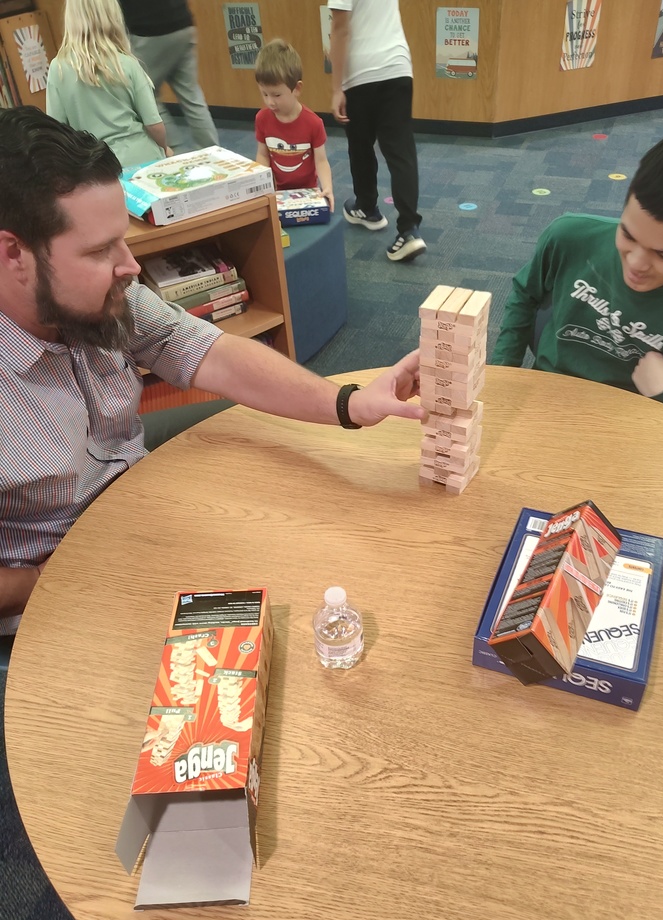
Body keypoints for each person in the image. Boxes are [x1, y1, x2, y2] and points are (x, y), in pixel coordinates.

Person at [0, 106, 424, 639]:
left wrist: (350, 403)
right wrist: (46, 579)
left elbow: (207, 350)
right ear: (14, 252)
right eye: (99, 249)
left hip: (140, 514)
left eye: (122, 238)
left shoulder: (104, 297)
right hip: (52, 592)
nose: (130, 265)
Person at [490, 127, 663, 436]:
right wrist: (500, 374)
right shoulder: (568, 237)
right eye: (628, 234)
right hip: (544, 405)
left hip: (631, 434)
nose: (636, 263)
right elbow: (525, 294)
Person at [328, 0, 426, 263]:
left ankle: (367, 206)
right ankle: (409, 230)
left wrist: (336, 88)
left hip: (362, 70)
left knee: (360, 143)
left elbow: (340, 28)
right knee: (400, 150)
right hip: (398, 66)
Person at [46, 0, 169, 169]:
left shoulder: (58, 69)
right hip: (142, 157)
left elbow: (56, 132)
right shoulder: (126, 63)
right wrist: (164, 148)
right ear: (112, 16)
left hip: (96, 167)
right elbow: (154, 124)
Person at [118, 0, 218, 152]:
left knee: (147, 95)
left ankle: (175, 150)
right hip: (183, 24)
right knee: (191, 95)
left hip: (149, 31)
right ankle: (212, 151)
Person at [254, 39, 334, 211]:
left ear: (297, 89)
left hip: (308, 192)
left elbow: (321, 161)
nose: (270, 102)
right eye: (264, 94)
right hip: (277, 191)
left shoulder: (313, 123)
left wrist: (327, 187)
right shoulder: (262, 118)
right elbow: (263, 156)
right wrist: (262, 187)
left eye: (276, 95)